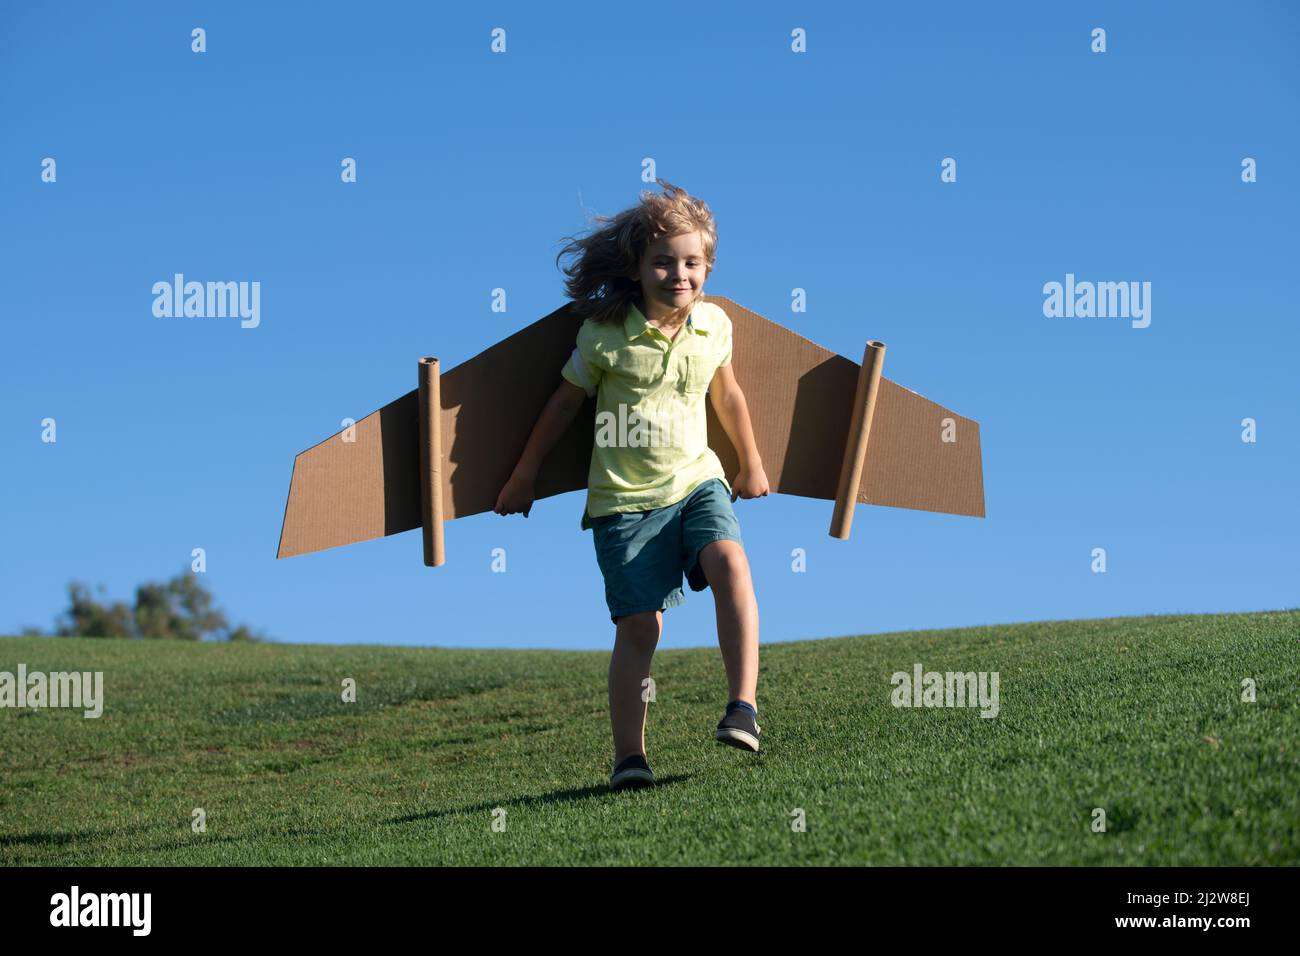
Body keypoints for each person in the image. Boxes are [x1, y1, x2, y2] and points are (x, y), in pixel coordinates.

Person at [493, 180, 769, 790]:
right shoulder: (605, 334)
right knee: (641, 626)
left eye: (692, 262)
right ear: (638, 266)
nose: (679, 274)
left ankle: (742, 706)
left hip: (698, 481)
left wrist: (749, 462)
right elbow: (563, 407)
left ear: (708, 266)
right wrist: (523, 476)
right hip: (623, 501)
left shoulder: (714, 326)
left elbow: (727, 394)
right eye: (664, 261)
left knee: (732, 563)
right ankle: (629, 759)